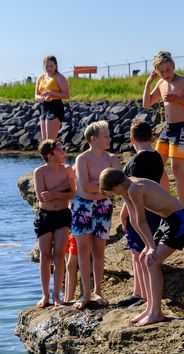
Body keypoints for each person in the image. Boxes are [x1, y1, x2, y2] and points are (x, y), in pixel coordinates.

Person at [100, 168, 184, 327]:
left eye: (112, 192)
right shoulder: (127, 188)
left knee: (153, 261)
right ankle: (150, 308)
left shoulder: (135, 188)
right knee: (144, 258)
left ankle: (156, 313)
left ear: (116, 186)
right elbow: (133, 219)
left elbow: (142, 220)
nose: (114, 195)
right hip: (168, 221)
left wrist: (151, 246)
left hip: (182, 220)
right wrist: (147, 245)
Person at [71, 121, 122, 310]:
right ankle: (85, 294)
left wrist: (98, 188)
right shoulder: (82, 159)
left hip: (103, 207)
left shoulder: (112, 159)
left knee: (99, 250)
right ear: (94, 139)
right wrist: (103, 188)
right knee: (83, 251)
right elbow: (85, 185)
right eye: (106, 136)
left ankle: (98, 291)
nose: (109, 139)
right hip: (82, 207)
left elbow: (118, 184)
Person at [142, 51, 184, 205]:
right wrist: (148, 82)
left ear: (173, 66)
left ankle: (181, 204)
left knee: (176, 168)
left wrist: (179, 99)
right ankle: (168, 200)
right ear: (157, 72)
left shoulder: (183, 81)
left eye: (168, 70)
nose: (165, 74)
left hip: (183, 127)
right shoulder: (161, 83)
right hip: (168, 128)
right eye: (161, 72)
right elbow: (146, 104)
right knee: (157, 165)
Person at [117, 120, 165, 307]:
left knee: (139, 252)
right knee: (142, 250)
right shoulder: (158, 157)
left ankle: (143, 294)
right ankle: (140, 293)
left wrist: (123, 214)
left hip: (139, 210)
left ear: (132, 139)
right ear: (152, 137)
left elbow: (130, 192)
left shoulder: (134, 162)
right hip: (155, 208)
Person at [33, 139, 76, 307]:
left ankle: (56, 296)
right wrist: (60, 189)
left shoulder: (67, 170)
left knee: (59, 255)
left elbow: (72, 194)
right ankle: (45, 296)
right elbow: (41, 196)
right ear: (50, 155)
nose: (63, 152)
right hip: (45, 216)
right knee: (45, 255)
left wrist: (54, 192)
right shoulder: (40, 172)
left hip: (62, 215)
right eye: (60, 150)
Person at [35, 56, 70, 141]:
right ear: (43, 66)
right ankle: (47, 154)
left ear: (56, 65)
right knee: (44, 141)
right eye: (47, 66)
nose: (49, 68)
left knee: (50, 141)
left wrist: (51, 93)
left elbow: (66, 95)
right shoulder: (40, 78)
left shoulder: (59, 77)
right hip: (44, 107)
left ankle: (56, 153)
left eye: (51, 66)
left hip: (55, 107)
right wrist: (43, 98)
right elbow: (36, 96)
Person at [63, 233, 79, 304]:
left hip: (75, 231)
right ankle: (66, 298)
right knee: (67, 266)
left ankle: (69, 298)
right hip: (66, 230)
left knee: (70, 265)